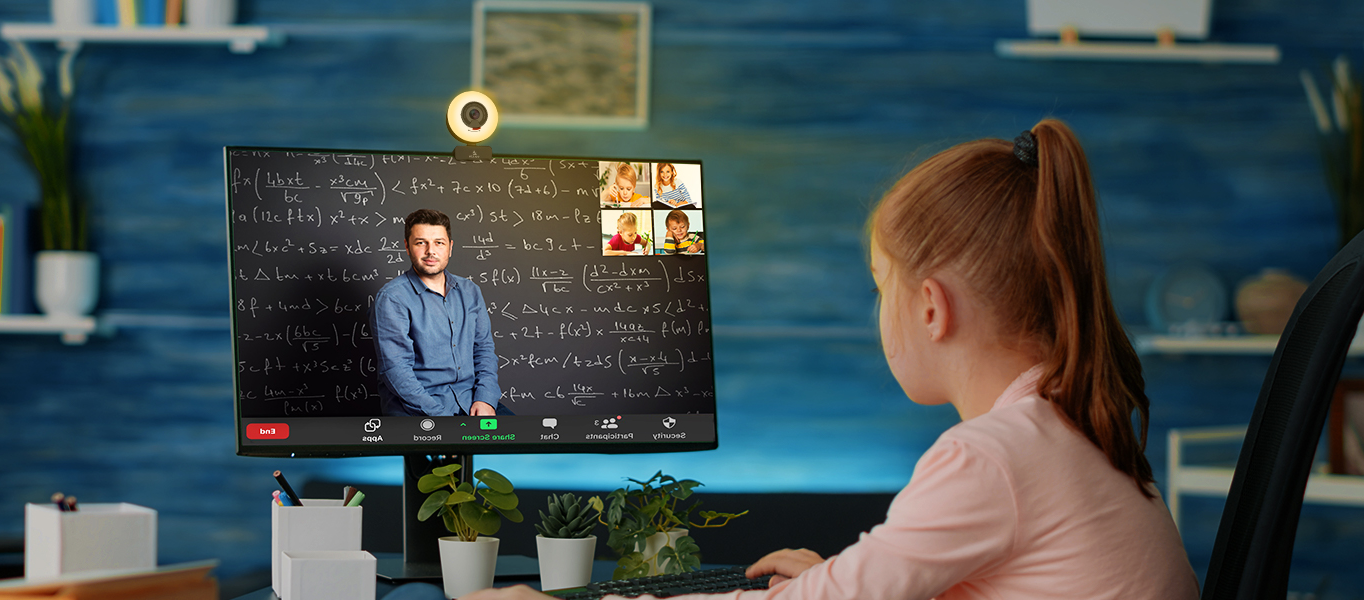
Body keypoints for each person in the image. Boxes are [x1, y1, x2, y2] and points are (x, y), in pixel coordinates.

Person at [460, 120, 1198, 600]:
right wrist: (836, 581)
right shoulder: (1079, 432)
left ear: (933, 308)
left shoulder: (990, 457)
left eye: (883, 288)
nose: (881, 313)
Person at [371, 209, 503, 417]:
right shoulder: (392, 298)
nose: (430, 251)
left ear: (450, 248)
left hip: (471, 401)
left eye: (439, 243)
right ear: (407, 246)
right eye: (420, 242)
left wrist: (485, 399)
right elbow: (396, 370)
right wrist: (441, 417)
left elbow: (484, 349)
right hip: (419, 408)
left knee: (523, 444)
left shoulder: (470, 291)